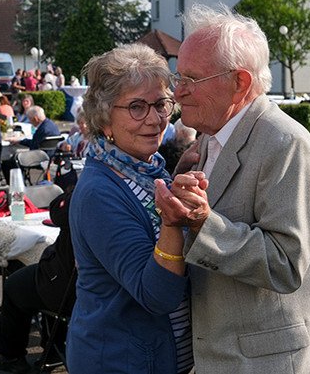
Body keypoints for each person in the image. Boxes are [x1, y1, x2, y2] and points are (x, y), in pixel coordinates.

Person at [162, 3, 310, 372]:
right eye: (178, 79)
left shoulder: (285, 143)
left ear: (239, 83)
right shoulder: (210, 138)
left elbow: (286, 264)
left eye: (190, 80)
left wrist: (203, 223)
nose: (178, 93)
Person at [67, 43, 198, 374]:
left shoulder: (146, 168)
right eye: (137, 107)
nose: (155, 119)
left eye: (161, 104)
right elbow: (156, 295)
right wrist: (172, 223)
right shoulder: (100, 191)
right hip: (118, 361)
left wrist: (173, 179)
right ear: (105, 118)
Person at [0, 191, 76, 374]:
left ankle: (11, 357)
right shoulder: (141, 187)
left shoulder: (92, 190)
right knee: (46, 281)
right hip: (104, 288)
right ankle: (54, 349)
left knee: (15, 285)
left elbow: (57, 211)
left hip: (71, 288)